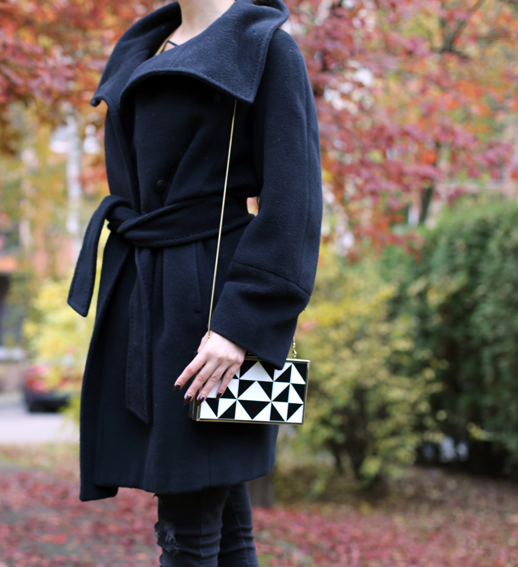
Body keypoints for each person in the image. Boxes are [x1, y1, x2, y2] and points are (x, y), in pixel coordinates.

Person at [67, 0, 322, 564]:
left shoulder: (265, 46)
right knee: (221, 520)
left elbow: (295, 203)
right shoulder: (144, 46)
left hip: (208, 306)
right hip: (146, 290)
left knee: (189, 515)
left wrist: (241, 325)